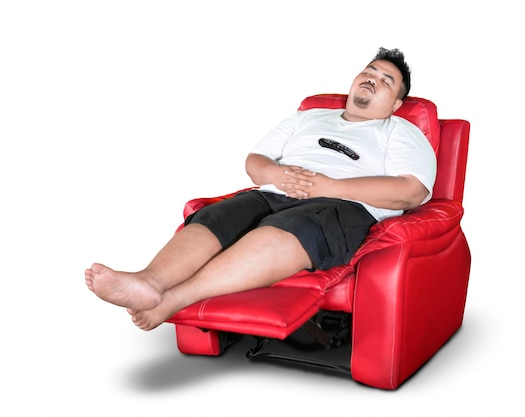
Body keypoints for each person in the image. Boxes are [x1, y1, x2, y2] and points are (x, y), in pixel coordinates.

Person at [85, 47, 437, 331]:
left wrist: (331, 185)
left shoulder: (400, 131)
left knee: (287, 228)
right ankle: (148, 281)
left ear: (395, 104)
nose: (372, 80)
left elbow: (411, 191)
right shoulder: (309, 117)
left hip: (341, 206)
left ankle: (171, 299)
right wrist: (277, 174)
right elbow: (256, 161)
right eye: (368, 72)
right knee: (220, 214)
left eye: (385, 80)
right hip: (275, 192)